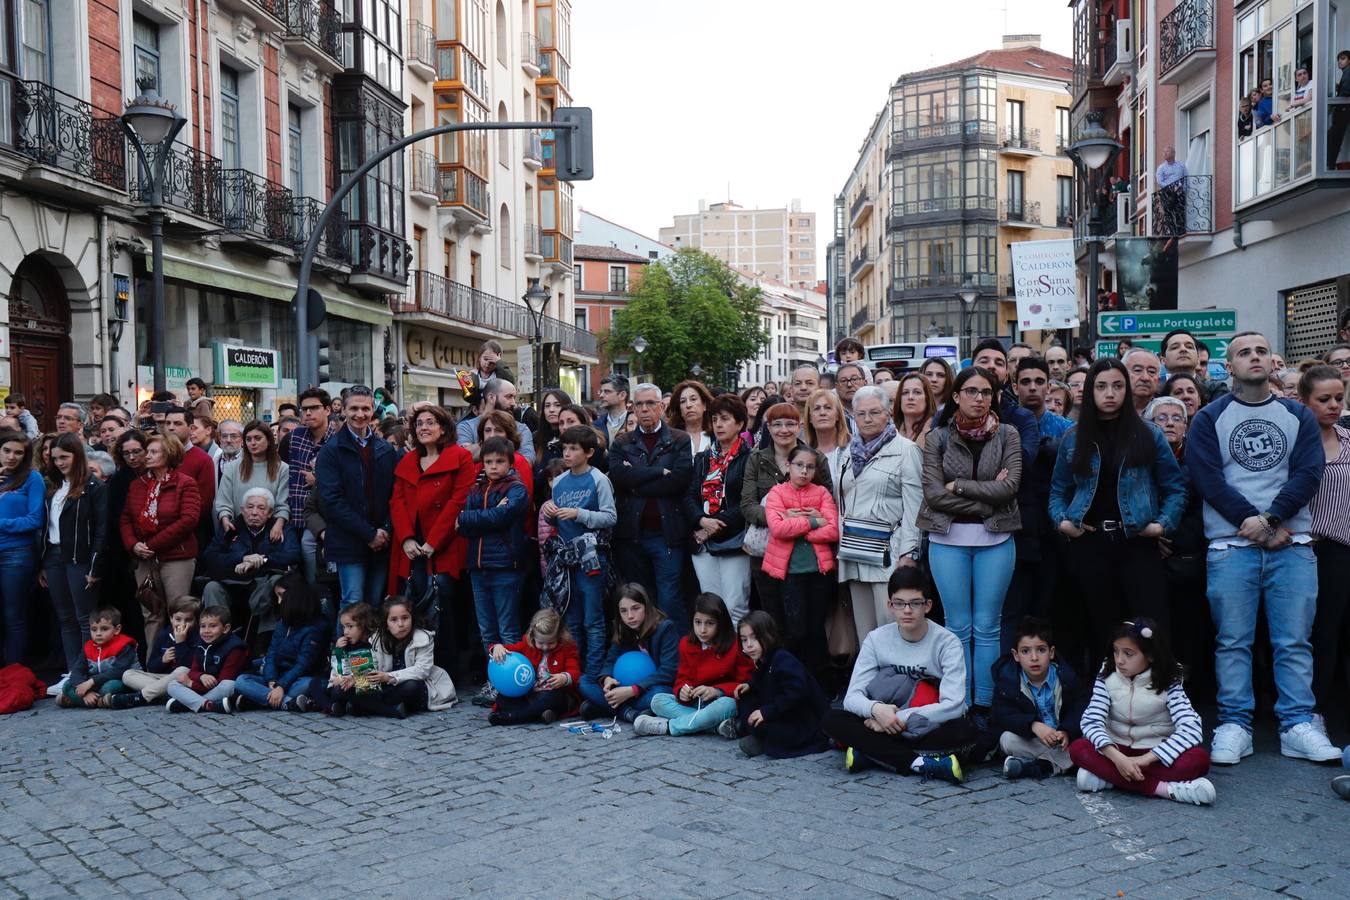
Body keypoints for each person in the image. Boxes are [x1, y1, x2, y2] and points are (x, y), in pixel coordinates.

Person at [1187, 332, 1341, 765]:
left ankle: (1296, 724)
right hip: (1230, 547)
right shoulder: (1209, 418)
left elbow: (1309, 473)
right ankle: (1235, 724)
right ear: (1228, 363)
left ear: (1271, 362)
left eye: (1260, 350)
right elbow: (1207, 478)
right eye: (1243, 352)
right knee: (1232, 641)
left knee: (1294, 641)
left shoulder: (1298, 415)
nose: (1253, 357)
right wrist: (1252, 523)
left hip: (1292, 545)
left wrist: (1270, 519)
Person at [1050, 359, 1187, 656]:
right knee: (1100, 630)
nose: (1109, 393)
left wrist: (1162, 524)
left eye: (1117, 385)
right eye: (1101, 386)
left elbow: (1175, 488)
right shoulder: (1073, 437)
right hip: (1089, 544)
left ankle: (1154, 697)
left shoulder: (1149, 434)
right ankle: (1104, 697)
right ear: (1090, 391)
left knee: (1150, 631)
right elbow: (1058, 490)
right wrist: (1062, 521)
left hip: (1137, 544)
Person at [916, 366, 1022, 720]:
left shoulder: (1008, 434)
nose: (980, 398)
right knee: (957, 625)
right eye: (972, 391)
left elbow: (1009, 489)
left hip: (996, 538)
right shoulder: (937, 438)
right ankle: (958, 702)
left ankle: (985, 704)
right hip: (948, 539)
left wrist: (959, 486)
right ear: (957, 395)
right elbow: (933, 495)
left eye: (987, 392)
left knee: (988, 625)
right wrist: (987, 497)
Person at [821, 567, 977, 782]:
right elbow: (852, 697)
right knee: (832, 718)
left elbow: (954, 704)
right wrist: (876, 710)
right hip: (881, 715)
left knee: (965, 730)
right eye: (899, 603)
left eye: (915, 603)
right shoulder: (876, 639)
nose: (907, 610)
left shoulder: (947, 643)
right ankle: (918, 763)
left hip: (924, 723)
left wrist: (896, 719)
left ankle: (869, 752)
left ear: (928, 606)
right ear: (890, 606)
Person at [1069, 619, 1215, 805]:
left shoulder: (1169, 678)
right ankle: (1165, 790)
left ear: (1151, 655)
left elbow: (1191, 728)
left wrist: (1145, 760)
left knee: (1199, 760)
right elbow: (1091, 721)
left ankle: (1108, 778)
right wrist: (1119, 759)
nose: (1119, 660)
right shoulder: (1107, 672)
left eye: (1128, 654)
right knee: (1078, 748)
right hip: (1117, 749)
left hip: (1155, 753)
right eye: (1116, 651)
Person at [388, 404, 474, 675]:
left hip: (445, 544)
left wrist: (434, 541)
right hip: (413, 547)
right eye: (419, 423)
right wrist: (406, 539)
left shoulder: (460, 458)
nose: (423, 428)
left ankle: (448, 669)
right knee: (415, 605)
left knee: (445, 606)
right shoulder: (408, 460)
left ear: (444, 428)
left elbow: (459, 501)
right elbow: (397, 501)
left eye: (430, 422)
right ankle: (417, 667)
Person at [838, 386, 924, 640]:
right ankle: (869, 680)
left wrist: (909, 553)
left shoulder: (906, 450)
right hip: (854, 551)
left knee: (891, 629)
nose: (867, 419)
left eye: (874, 412)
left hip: (889, 553)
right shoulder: (847, 452)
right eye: (861, 413)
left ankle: (896, 680)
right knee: (865, 635)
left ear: (888, 413)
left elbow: (915, 507)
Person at [609, 382, 694, 631]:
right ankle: (645, 653)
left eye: (650, 403)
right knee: (638, 602)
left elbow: (677, 481)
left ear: (662, 407)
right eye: (639, 404)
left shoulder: (679, 439)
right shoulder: (622, 442)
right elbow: (618, 477)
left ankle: (674, 657)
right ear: (632, 408)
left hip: (666, 534)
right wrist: (658, 472)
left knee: (669, 600)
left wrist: (635, 479)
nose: (644, 409)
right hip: (631, 536)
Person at [741, 402, 831, 635]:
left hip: (806, 555)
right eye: (777, 424)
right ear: (768, 428)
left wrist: (801, 522)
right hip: (767, 552)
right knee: (774, 621)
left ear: (800, 426)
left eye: (790, 424)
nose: (784, 429)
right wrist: (779, 518)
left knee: (809, 624)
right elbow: (748, 506)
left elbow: (828, 504)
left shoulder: (815, 458)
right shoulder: (756, 458)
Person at [540, 424, 616, 676]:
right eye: (565, 448)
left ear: (589, 452)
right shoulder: (559, 482)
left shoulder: (599, 479)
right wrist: (551, 515)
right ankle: (575, 672)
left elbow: (610, 517)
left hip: (591, 557)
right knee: (572, 620)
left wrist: (579, 513)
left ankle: (593, 674)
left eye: (574, 448)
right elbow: (558, 520)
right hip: (566, 560)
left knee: (592, 620)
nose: (568, 453)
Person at [315, 386, 398, 615]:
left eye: (365, 408)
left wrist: (384, 529)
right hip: (348, 541)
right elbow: (332, 501)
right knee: (353, 603)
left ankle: (373, 651)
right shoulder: (331, 451)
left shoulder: (385, 449)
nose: (359, 414)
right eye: (354, 408)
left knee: (376, 602)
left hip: (382, 540)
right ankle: (346, 651)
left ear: (373, 410)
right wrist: (369, 534)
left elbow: (395, 495)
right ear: (343, 410)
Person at [459, 435, 530, 699]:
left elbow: (501, 517)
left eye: (499, 461)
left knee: (507, 629)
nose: (493, 466)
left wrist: (471, 517)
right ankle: (495, 679)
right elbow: (464, 524)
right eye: (488, 461)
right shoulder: (476, 488)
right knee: (487, 630)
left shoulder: (516, 489)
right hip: (478, 566)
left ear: (510, 463)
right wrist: (473, 518)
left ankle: (511, 680)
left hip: (505, 566)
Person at [761, 445, 839, 684]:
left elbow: (833, 530)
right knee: (796, 630)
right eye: (799, 465)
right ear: (788, 465)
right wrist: (815, 520)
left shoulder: (822, 493)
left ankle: (821, 683)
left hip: (818, 571)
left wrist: (798, 521)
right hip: (789, 573)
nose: (804, 471)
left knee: (816, 629)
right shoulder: (776, 493)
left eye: (810, 467)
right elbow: (778, 529)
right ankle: (793, 681)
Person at [1299, 366, 1350, 730]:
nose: (1333, 405)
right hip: (1302, 549)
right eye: (1323, 399)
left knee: (1334, 632)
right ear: (1304, 402)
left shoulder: (1349, 441)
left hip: (1342, 553)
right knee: (1306, 635)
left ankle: (1327, 709)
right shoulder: (1293, 445)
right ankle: (1305, 710)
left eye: (1338, 398)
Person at [120, 433, 202, 650]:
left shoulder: (185, 483)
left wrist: (152, 545)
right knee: (151, 613)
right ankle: (153, 666)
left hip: (177, 557)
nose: (147, 456)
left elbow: (188, 520)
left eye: (154, 451)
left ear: (169, 454)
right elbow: (126, 519)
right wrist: (133, 545)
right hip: (144, 560)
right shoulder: (138, 485)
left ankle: (180, 665)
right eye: (147, 451)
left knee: (179, 613)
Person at [634, 592, 752, 738]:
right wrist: (683, 691)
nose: (702, 630)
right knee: (657, 701)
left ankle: (668, 727)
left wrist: (717, 691)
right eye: (698, 622)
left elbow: (745, 684)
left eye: (709, 623)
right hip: (696, 703)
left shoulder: (735, 645)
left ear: (720, 623)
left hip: (722, 701)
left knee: (727, 705)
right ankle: (715, 727)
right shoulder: (686, 644)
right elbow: (683, 678)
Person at [40, 434, 107, 671]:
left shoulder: (93, 486)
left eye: (64, 457)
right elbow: (46, 526)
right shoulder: (53, 485)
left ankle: (87, 670)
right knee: (65, 617)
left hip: (81, 557)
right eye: (55, 458)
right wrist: (42, 563)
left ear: (77, 455)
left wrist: (94, 566)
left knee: (84, 619)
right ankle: (72, 671)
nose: (59, 462)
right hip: (54, 555)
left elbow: (102, 529)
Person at [684, 394, 752, 626]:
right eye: (714, 420)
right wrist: (701, 520)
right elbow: (690, 495)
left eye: (725, 419)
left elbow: (745, 502)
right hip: (702, 540)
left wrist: (713, 526)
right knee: (710, 608)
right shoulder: (704, 458)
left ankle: (738, 659)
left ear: (740, 423)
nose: (719, 425)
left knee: (735, 606)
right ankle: (714, 658)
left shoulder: (749, 458)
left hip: (733, 541)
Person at [992, 618, 1088, 779]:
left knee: (1089, 739)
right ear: (1015, 655)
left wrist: (1067, 730)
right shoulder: (1009, 682)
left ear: (1051, 652)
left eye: (1041, 650)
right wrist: (1033, 725)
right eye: (1025, 651)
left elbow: (1080, 707)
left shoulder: (1066, 678)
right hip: (1033, 739)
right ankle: (1061, 763)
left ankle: (1039, 766)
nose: (1034, 658)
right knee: (1007, 740)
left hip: (1064, 741)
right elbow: (1003, 715)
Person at [200, 488, 300, 635]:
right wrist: (242, 558)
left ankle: (264, 640)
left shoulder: (282, 528)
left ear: (270, 512)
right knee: (212, 587)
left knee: (277, 581)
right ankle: (218, 637)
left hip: (263, 583)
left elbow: (293, 555)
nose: (254, 513)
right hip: (233, 582)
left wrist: (261, 560)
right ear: (242, 509)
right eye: (250, 507)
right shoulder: (231, 527)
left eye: (261, 508)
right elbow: (209, 557)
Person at [733, 610, 831, 759]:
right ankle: (759, 735)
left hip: (802, 718)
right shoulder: (764, 659)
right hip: (782, 710)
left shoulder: (782, 658)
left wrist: (767, 712)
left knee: (771, 727)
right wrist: (750, 685)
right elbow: (764, 680)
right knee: (746, 698)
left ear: (768, 636)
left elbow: (796, 692)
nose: (749, 645)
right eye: (744, 640)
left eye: (754, 638)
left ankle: (763, 739)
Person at [577, 583, 679, 722]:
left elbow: (668, 671)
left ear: (646, 606)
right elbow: (610, 661)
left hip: (651, 688)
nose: (630, 616)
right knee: (585, 681)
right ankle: (628, 712)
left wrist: (633, 690)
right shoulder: (622, 629)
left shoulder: (665, 629)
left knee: (659, 695)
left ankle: (605, 707)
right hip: (624, 687)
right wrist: (607, 678)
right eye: (623, 611)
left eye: (636, 608)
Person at [232, 573, 326, 712]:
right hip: (277, 677)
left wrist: (281, 686)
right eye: (277, 596)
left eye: (281, 596)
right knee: (241, 680)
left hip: (298, 678)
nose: (279, 602)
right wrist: (272, 680)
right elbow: (271, 653)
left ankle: (256, 700)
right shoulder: (283, 623)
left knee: (309, 684)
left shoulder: (316, 627)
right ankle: (288, 703)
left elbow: (303, 664)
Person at [361, 596, 457, 717]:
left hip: (419, 686)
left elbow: (422, 671)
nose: (401, 624)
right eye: (394, 620)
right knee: (358, 687)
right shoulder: (378, 639)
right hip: (389, 687)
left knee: (411, 686)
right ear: (386, 623)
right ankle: (391, 710)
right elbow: (374, 666)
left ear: (412, 618)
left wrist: (389, 677)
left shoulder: (423, 638)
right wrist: (357, 678)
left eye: (405, 618)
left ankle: (363, 706)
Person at [487, 608, 580, 725]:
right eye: (540, 643)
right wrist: (497, 647)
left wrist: (565, 677)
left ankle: (512, 717)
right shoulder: (527, 644)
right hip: (532, 693)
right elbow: (509, 650)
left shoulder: (567, 647)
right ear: (533, 636)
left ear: (559, 636)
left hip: (558, 694)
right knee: (502, 698)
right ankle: (542, 714)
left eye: (551, 643)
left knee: (550, 700)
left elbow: (575, 671)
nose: (545, 647)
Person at [287, 388, 335, 583]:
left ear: (328, 410)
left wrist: (318, 480)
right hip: (294, 512)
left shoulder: (338, 438)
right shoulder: (295, 436)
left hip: (323, 515)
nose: (308, 413)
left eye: (314, 408)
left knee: (320, 571)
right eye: (304, 409)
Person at [56, 607, 147, 709]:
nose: (98, 633)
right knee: (67, 686)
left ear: (117, 629)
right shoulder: (88, 647)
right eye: (94, 629)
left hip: (120, 681)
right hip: (96, 685)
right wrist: (86, 692)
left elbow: (118, 672)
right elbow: (77, 671)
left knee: (111, 687)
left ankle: (78, 701)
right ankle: (98, 701)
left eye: (104, 629)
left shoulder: (124, 645)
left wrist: (91, 682)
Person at [164, 604, 248, 713]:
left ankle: (185, 704)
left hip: (222, 687)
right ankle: (208, 705)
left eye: (213, 626)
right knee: (172, 685)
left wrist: (191, 684)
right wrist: (201, 676)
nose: (206, 631)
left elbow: (223, 680)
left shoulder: (235, 648)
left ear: (226, 628)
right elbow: (193, 670)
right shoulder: (201, 644)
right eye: (203, 626)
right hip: (203, 686)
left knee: (228, 685)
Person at [215, 420, 290, 538]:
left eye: (257, 438)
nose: (252, 443)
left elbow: (283, 504)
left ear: (269, 440)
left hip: (270, 531)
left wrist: (279, 525)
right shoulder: (232, 468)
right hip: (238, 530)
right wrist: (225, 519)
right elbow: (223, 502)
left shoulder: (282, 468)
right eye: (248, 439)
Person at [119, 594, 195, 704]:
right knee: (128, 674)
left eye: (188, 620)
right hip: (162, 679)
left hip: (183, 679)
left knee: (182, 670)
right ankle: (167, 695)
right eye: (178, 619)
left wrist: (181, 643)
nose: (182, 624)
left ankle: (141, 697)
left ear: (195, 621)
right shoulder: (164, 634)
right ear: (171, 618)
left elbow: (189, 666)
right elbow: (151, 666)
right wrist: (162, 660)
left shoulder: (197, 636)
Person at [309, 601, 379, 716]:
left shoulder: (369, 644)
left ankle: (328, 705)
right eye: (344, 627)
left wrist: (342, 679)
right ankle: (331, 706)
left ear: (363, 624)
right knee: (315, 682)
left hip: (358, 686)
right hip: (340, 682)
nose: (346, 632)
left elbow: (365, 673)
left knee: (342, 690)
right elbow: (337, 668)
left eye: (350, 626)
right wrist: (337, 651)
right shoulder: (345, 642)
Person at [161, 407, 217, 545]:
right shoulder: (155, 455)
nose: (171, 428)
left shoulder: (202, 459)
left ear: (191, 428)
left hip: (188, 535)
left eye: (178, 423)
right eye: (168, 423)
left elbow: (204, 503)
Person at [457, 379, 535, 464]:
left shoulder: (521, 429)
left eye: (514, 397)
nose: (513, 403)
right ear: (491, 397)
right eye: (508, 397)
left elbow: (527, 462)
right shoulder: (466, 427)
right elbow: (462, 457)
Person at [805, 389, 851, 486]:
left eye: (828, 408)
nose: (822, 413)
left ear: (838, 415)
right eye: (816, 408)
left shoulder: (853, 449)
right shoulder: (803, 453)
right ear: (810, 418)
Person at [668, 380, 713, 459]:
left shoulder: (716, 435)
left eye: (693, 399)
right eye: (683, 401)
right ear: (680, 410)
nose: (688, 405)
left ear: (704, 405)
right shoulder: (670, 438)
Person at [894, 373, 934, 449]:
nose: (910, 397)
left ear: (927, 398)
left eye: (917, 392)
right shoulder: (890, 432)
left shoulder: (936, 431)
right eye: (905, 392)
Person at [1155, 146, 1188, 234]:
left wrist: (1184, 189)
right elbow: (1160, 181)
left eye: (1167, 151)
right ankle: (1172, 230)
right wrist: (1171, 187)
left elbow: (1186, 178)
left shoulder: (1181, 166)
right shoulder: (1161, 168)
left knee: (1180, 211)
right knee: (1168, 212)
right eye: (1164, 152)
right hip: (1167, 193)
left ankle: (1181, 230)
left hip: (1179, 191)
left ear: (1173, 153)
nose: (1165, 153)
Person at [1122, 348, 1162, 415]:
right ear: (1122, 375)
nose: (1145, 378)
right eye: (1138, 370)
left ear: (1158, 379)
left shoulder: (1166, 412)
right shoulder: (1110, 410)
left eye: (1151, 372)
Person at [1329, 50, 1350, 169]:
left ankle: (1330, 166)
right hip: (1344, 110)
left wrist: (1335, 100)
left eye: (1343, 59)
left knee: (1334, 138)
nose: (1339, 62)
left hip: (1344, 110)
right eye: (1339, 60)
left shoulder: (1348, 72)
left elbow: (1346, 92)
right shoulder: (1346, 73)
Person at [598, 375, 631, 444]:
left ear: (622, 395)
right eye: (601, 391)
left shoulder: (635, 423)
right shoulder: (595, 425)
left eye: (607, 391)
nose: (601, 395)